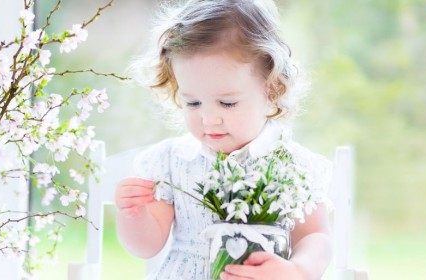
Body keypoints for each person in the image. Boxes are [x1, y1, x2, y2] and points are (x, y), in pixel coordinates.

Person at [115, 0, 332, 279]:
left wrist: (297, 270)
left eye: (227, 103)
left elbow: (314, 236)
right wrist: (134, 214)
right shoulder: (171, 162)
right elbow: (146, 246)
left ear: (271, 91)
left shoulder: (293, 166)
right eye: (193, 103)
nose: (209, 119)